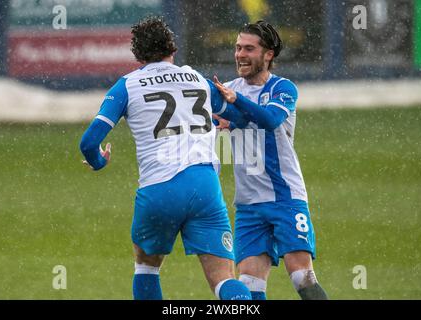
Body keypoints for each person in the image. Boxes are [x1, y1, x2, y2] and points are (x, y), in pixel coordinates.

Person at [79, 17, 251, 300]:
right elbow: (239, 115)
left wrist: (99, 161)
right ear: (172, 48)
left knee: (147, 267)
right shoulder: (199, 80)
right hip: (204, 184)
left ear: (137, 54)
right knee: (223, 279)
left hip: (160, 187)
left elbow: (88, 142)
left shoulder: (127, 86)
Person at [212, 20, 329, 300]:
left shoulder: (283, 89)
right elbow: (212, 141)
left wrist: (236, 102)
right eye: (238, 47)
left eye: (249, 49)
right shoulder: (226, 90)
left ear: (268, 55)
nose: (240, 54)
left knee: (302, 276)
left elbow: (270, 119)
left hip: (285, 198)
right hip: (249, 205)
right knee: (249, 285)